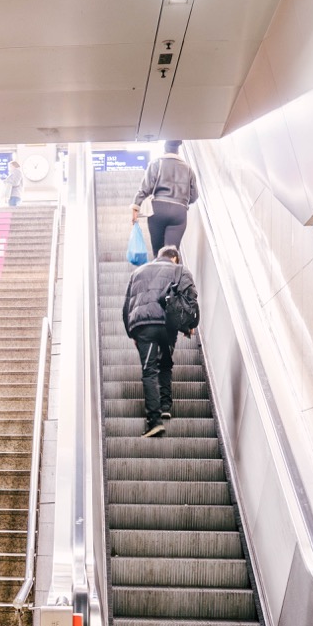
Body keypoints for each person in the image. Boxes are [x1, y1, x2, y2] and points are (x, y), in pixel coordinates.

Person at [121, 245, 198, 438]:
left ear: (159, 257)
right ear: (174, 258)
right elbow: (191, 299)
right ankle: (165, 405)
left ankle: (154, 421)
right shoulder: (180, 270)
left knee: (149, 370)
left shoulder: (138, 272)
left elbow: (126, 306)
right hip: (168, 325)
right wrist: (189, 325)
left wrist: (132, 333)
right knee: (165, 363)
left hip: (144, 325)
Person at [131, 140, 199, 252]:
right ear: (178, 151)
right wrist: (183, 201)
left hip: (158, 210)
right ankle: (173, 267)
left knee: (158, 251)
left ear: (164, 149)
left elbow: (145, 189)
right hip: (179, 211)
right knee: (171, 252)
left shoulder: (156, 163)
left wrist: (135, 209)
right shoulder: (188, 169)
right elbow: (194, 196)